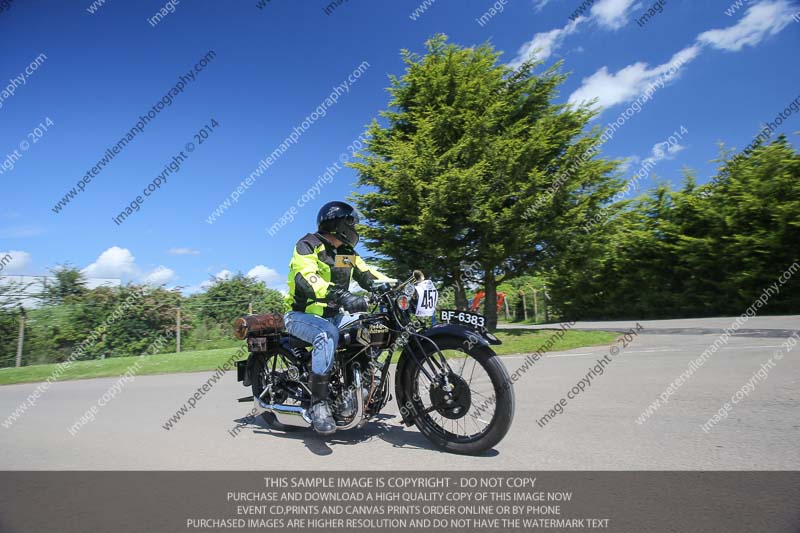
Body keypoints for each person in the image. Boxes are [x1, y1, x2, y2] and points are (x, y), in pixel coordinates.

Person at [284, 201, 393, 435]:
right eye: (352, 223)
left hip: (334, 316)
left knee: (369, 327)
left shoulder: (345, 253)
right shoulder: (308, 245)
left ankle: (361, 384)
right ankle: (319, 404)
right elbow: (307, 278)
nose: (356, 229)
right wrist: (342, 295)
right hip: (301, 316)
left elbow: (368, 274)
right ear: (340, 224)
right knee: (326, 333)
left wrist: (395, 285)